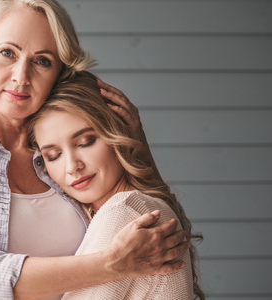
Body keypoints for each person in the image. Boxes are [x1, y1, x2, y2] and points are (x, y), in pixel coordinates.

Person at [0, 0, 190, 299]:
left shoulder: (66, 155)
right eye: (7, 53)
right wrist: (112, 264)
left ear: (60, 73)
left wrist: (135, 148)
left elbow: (156, 232)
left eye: (42, 61)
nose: (21, 76)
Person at [27, 71, 205, 299]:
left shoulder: (122, 211)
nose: (72, 166)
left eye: (85, 142)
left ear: (117, 133)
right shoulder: (141, 205)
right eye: (53, 156)